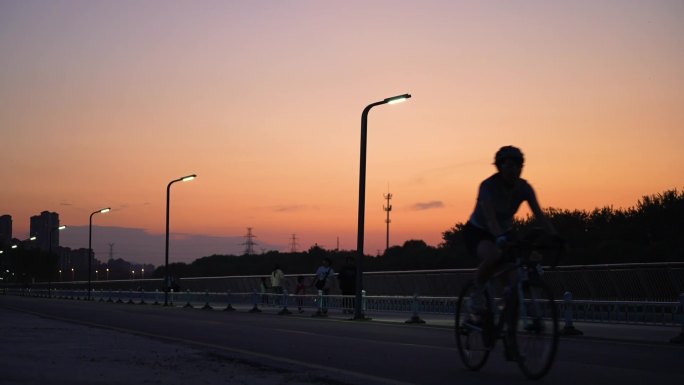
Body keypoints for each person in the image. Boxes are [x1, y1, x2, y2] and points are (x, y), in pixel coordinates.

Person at [463, 146, 558, 315]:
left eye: (517, 166)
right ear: (500, 168)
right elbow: (490, 218)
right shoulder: (488, 186)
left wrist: (554, 236)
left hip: (505, 231)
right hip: (479, 231)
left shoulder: (524, 188)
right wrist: (499, 237)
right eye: (507, 167)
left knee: (514, 275)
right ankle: (477, 293)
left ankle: (507, 317)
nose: (513, 171)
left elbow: (539, 215)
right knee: (493, 255)